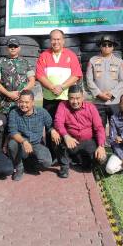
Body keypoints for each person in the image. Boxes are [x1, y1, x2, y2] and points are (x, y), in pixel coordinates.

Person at [36, 29, 82, 157]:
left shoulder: (71, 55)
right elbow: (40, 75)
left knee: (67, 125)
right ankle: (52, 155)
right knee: (50, 126)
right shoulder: (44, 55)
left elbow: (76, 75)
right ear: (50, 41)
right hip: (49, 98)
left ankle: (68, 155)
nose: (56, 42)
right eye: (53, 39)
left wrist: (61, 87)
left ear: (63, 41)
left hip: (66, 99)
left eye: (58, 39)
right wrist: (52, 87)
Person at [53, 85, 107, 178]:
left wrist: (101, 146)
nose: (75, 102)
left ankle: (86, 164)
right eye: (72, 98)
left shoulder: (91, 107)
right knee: (55, 136)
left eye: (78, 98)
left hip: (88, 142)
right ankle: (64, 166)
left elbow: (99, 128)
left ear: (83, 97)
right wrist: (66, 136)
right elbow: (58, 122)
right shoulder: (63, 105)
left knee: (101, 158)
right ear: (68, 97)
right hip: (70, 141)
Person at [7, 90, 56, 181]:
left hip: (37, 144)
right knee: (12, 144)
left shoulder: (42, 112)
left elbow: (50, 125)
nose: (23, 105)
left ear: (33, 102)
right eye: (21, 102)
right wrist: (24, 141)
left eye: (26, 102)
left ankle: (28, 163)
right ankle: (19, 167)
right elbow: (13, 132)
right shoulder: (14, 113)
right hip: (21, 143)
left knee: (47, 162)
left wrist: (52, 130)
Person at [85, 35, 123, 127]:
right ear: (100, 46)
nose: (107, 47)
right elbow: (89, 80)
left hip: (114, 101)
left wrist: (112, 93)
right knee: (99, 127)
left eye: (110, 45)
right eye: (104, 44)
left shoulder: (119, 61)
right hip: (98, 101)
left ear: (113, 47)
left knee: (117, 127)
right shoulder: (93, 60)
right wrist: (99, 94)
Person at [0, 38, 35, 115]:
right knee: (6, 121)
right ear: (7, 48)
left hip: (22, 102)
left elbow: (32, 81)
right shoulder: (0, 63)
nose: (13, 48)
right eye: (10, 46)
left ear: (19, 48)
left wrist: (21, 93)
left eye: (15, 46)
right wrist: (9, 94)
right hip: (6, 103)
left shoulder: (25, 62)